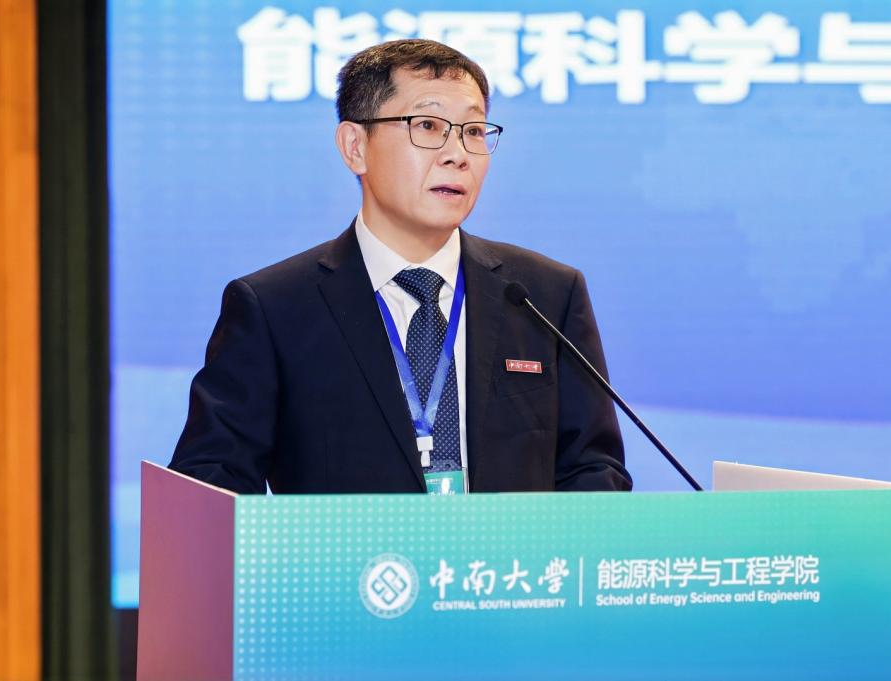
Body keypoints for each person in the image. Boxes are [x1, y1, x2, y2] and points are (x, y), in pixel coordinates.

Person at [169, 39, 631, 495]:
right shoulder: (275, 308)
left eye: (473, 131)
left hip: (508, 550)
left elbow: (593, 469)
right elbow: (211, 483)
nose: (458, 154)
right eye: (428, 125)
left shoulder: (544, 295)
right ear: (355, 146)